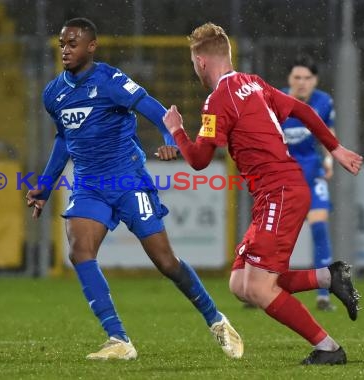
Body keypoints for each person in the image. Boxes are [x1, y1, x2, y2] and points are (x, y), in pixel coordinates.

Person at [26, 17, 243, 361]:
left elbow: (156, 112)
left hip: (127, 178)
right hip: (87, 183)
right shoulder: (54, 93)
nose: (66, 50)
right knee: (80, 251)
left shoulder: (111, 81)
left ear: (91, 47)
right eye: (62, 45)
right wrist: (45, 185)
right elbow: (64, 138)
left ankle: (216, 320)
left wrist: (172, 139)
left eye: (73, 44)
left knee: (166, 262)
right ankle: (118, 340)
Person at [163, 22, 362, 365]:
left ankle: (329, 348)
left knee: (258, 287)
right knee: (241, 283)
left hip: (280, 192)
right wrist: (336, 148)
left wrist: (177, 131)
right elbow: (301, 109)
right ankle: (329, 277)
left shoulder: (217, 101)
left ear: (202, 62)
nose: (195, 68)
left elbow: (198, 160)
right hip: (275, 194)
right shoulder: (252, 83)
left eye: (194, 61)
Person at [281, 56, 337, 311]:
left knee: (319, 227)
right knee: (276, 238)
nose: (302, 83)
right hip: (282, 176)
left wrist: (330, 159)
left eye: (307, 78)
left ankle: (324, 294)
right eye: (297, 78)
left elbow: (329, 133)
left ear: (315, 81)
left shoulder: (324, 102)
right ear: (289, 79)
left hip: (312, 171)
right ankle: (263, 285)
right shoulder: (275, 101)